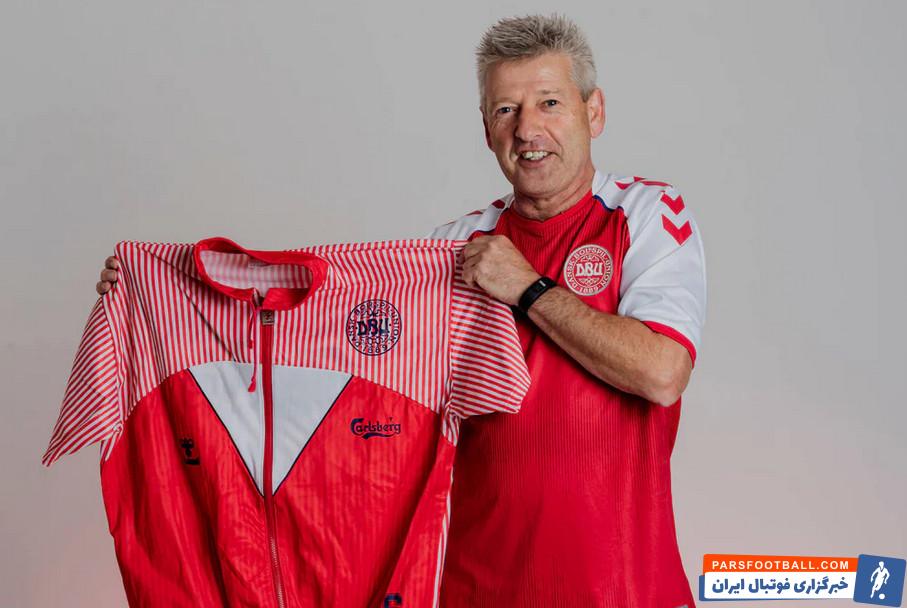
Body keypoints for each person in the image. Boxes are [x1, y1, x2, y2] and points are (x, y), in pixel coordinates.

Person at [96, 14, 706, 607]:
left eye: (549, 103)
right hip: (471, 592)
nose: (527, 129)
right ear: (486, 127)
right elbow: (329, 341)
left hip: (627, 590)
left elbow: (661, 372)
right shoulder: (450, 248)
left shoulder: (647, 213)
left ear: (593, 111)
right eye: (505, 110)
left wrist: (528, 287)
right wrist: (156, 291)